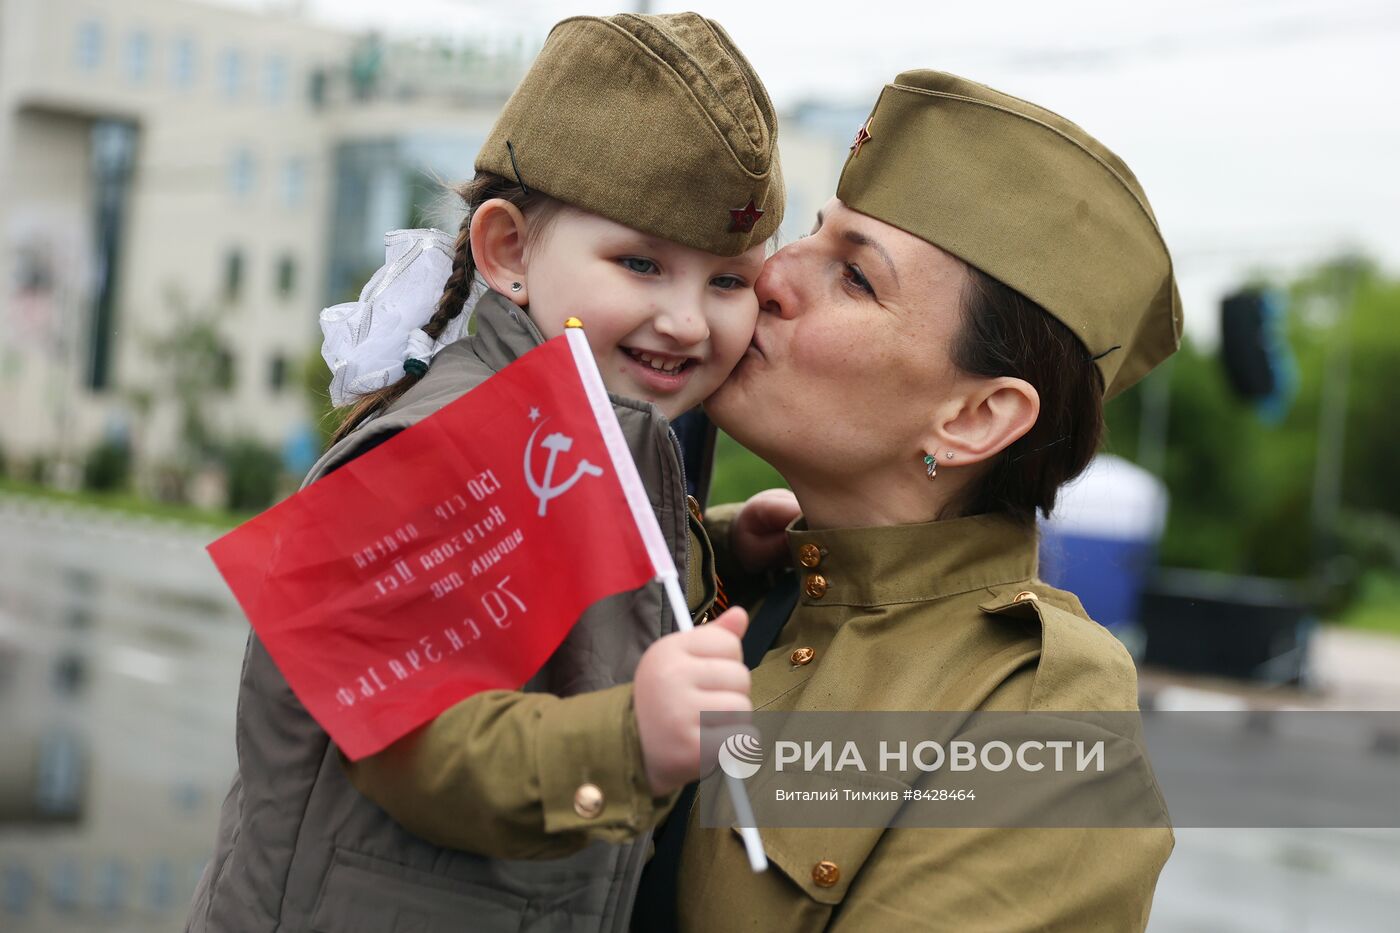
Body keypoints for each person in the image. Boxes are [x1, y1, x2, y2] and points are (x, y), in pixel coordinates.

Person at [346, 68, 1182, 931]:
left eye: (855, 278)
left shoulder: (1036, 711)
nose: (772, 274)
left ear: (976, 416)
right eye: (814, 234)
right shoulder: (721, 570)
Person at [185, 13, 793, 933]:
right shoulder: (444, 449)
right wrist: (632, 740)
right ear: (507, 250)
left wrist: (720, 555)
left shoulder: (613, 424)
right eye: (641, 263)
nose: (687, 321)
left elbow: (576, 600)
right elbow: (411, 742)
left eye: (728, 281)